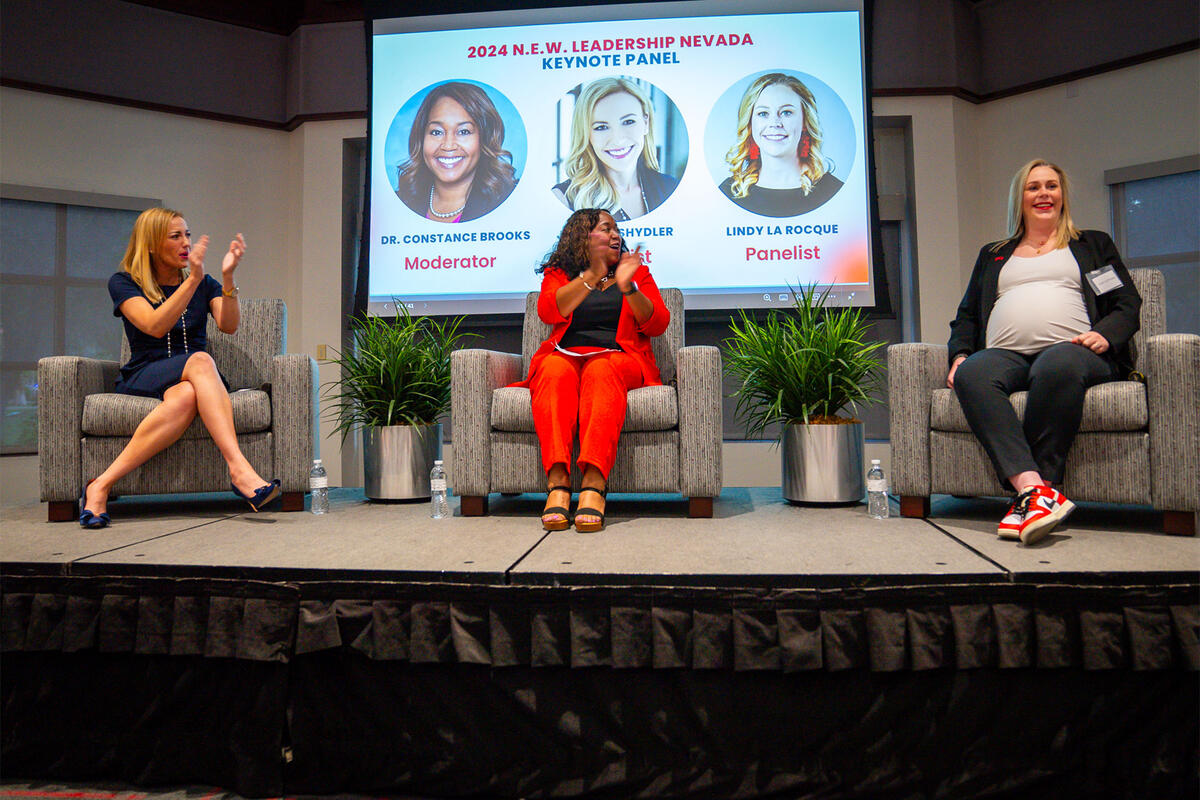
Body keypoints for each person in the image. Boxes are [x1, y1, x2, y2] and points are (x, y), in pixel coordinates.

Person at [947, 159, 1142, 545]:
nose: (1043, 194)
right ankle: (1034, 491)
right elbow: (967, 315)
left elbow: (1126, 303)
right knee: (973, 374)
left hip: (1075, 350)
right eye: (1033, 187)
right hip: (1006, 354)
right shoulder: (994, 253)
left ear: (1062, 195)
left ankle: (1040, 487)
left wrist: (1105, 335)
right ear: (1019, 199)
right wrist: (959, 355)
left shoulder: (1091, 245)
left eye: (1051, 186)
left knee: (1056, 364)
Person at [78, 208, 280, 528]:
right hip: (147, 371)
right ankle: (239, 468)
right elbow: (154, 325)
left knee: (187, 393)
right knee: (200, 359)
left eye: (187, 234)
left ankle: (100, 484)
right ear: (151, 244)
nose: (186, 242)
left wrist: (228, 279)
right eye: (176, 236)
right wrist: (194, 281)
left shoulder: (204, 283)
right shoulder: (124, 282)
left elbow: (229, 325)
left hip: (194, 378)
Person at [515, 208, 670, 532]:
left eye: (616, 229)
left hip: (619, 357)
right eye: (605, 229)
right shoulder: (560, 273)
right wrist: (591, 275)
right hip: (566, 355)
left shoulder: (635, 273)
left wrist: (628, 288)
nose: (616, 235)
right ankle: (558, 484)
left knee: (601, 370)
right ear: (583, 236)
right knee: (553, 370)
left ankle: (593, 486)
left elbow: (657, 324)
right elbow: (549, 311)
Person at [552, 77, 679, 221]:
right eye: (601, 127)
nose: (618, 140)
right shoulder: (563, 198)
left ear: (646, 123)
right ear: (586, 135)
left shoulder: (671, 187)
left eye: (628, 121)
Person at [719, 72, 843, 217]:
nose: (775, 123)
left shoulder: (834, 189)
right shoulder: (728, 192)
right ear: (750, 124)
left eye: (786, 112)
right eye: (763, 114)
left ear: (805, 122)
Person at [395, 82, 518, 223]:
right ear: (421, 138)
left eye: (463, 131)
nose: (448, 145)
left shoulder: (512, 200)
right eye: (436, 132)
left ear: (484, 138)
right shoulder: (399, 202)